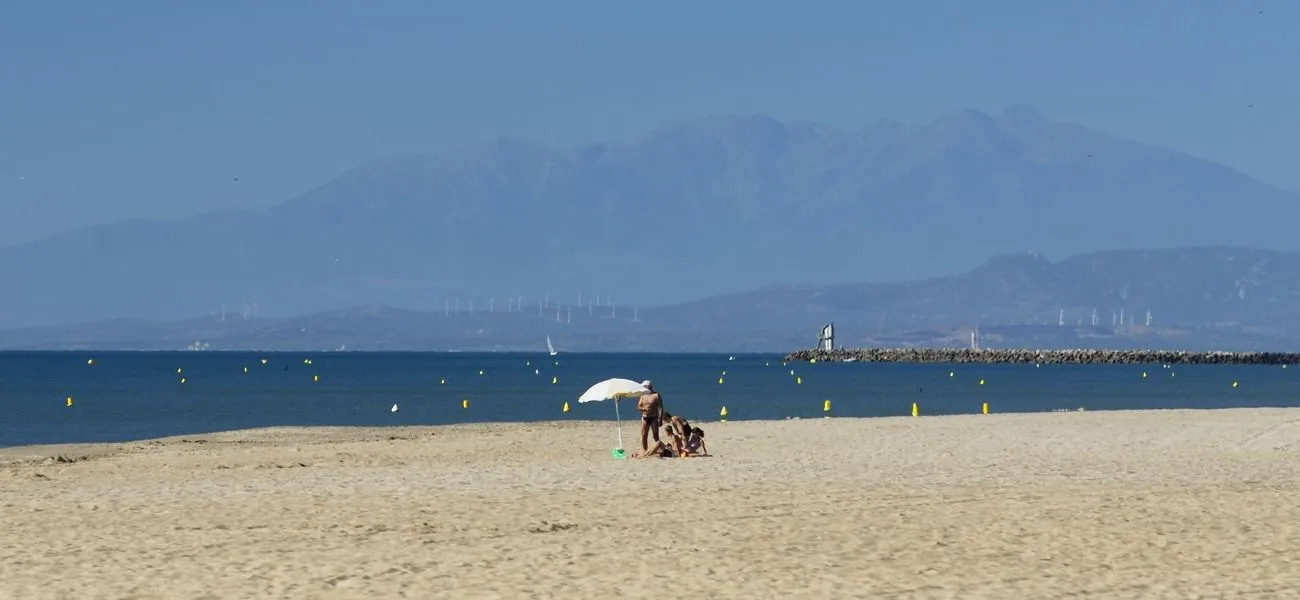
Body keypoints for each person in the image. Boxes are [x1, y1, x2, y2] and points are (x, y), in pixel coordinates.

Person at [636, 380, 664, 451]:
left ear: (649, 387)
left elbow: (660, 407)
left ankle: (661, 449)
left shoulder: (656, 395)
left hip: (654, 417)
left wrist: (660, 419)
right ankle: (645, 450)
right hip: (645, 417)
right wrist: (644, 409)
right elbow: (639, 407)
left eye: (644, 386)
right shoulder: (642, 396)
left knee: (655, 436)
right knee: (644, 436)